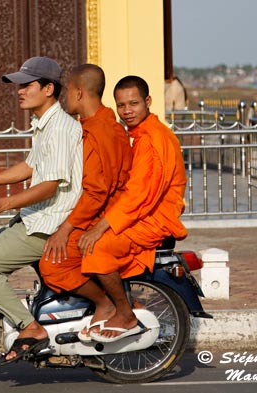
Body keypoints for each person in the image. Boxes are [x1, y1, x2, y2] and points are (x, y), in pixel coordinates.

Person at [0, 56, 83, 364]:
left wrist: (3, 203)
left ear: (48, 89)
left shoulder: (59, 127)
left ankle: (30, 328)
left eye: (26, 85)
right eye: (18, 85)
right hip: (35, 218)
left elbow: (50, 186)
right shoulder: (44, 124)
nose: (19, 91)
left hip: (48, 225)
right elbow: (30, 167)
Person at [70, 75, 188, 343]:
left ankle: (124, 311)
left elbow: (139, 196)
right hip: (142, 213)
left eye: (133, 103)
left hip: (154, 219)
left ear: (147, 102)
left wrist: (101, 226)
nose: (127, 111)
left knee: (96, 247)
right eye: (121, 105)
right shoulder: (140, 134)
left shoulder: (153, 139)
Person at [39, 64, 132, 342]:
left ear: (79, 92)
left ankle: (108, 304)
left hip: (102, 216)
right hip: (97, 211)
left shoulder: (98, 133)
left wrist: (65, 229)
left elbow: (95, 193)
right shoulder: (101, 124)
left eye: (66, 91)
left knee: (53, 265)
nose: (63, 97)